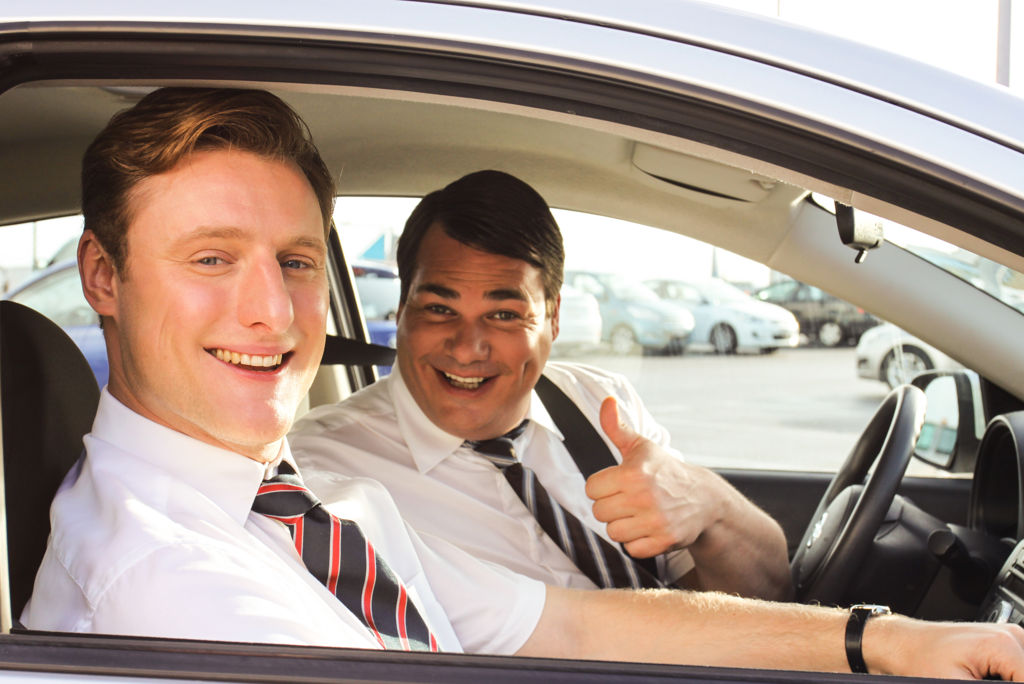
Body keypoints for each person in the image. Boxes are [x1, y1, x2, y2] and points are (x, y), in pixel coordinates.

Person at [20, 87, 1024, 680]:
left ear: (551, 320)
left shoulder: (301, 503)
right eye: (209, 259)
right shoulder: (168, 590)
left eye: (291, 260)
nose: (276, 315)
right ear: (101, 278)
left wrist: (883, 640)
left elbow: (578, 621)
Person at [290, 169, 791, 600]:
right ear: (401, 311)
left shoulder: (600, 405)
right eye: (440, 309)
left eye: (504, 314)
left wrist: (710, 505)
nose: (467, 348)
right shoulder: (320, 467)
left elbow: (769, 597)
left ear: (552, 318)